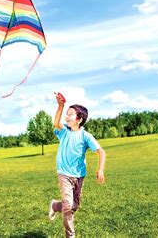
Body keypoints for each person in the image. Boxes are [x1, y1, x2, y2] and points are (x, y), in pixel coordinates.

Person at [48, 92, 106, 238]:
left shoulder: (86, 136)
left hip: (79, 175)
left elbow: (101, 152)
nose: (66, 117)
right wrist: (60, 106)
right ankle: (70, 236)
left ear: (79, 119)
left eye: (70, 114)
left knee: (73, 206)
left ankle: (55, 205)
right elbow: (56, 123)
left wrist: (100, 170)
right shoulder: (64, 133)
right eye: (66, 114)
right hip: (64, 174)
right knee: (68, 206)